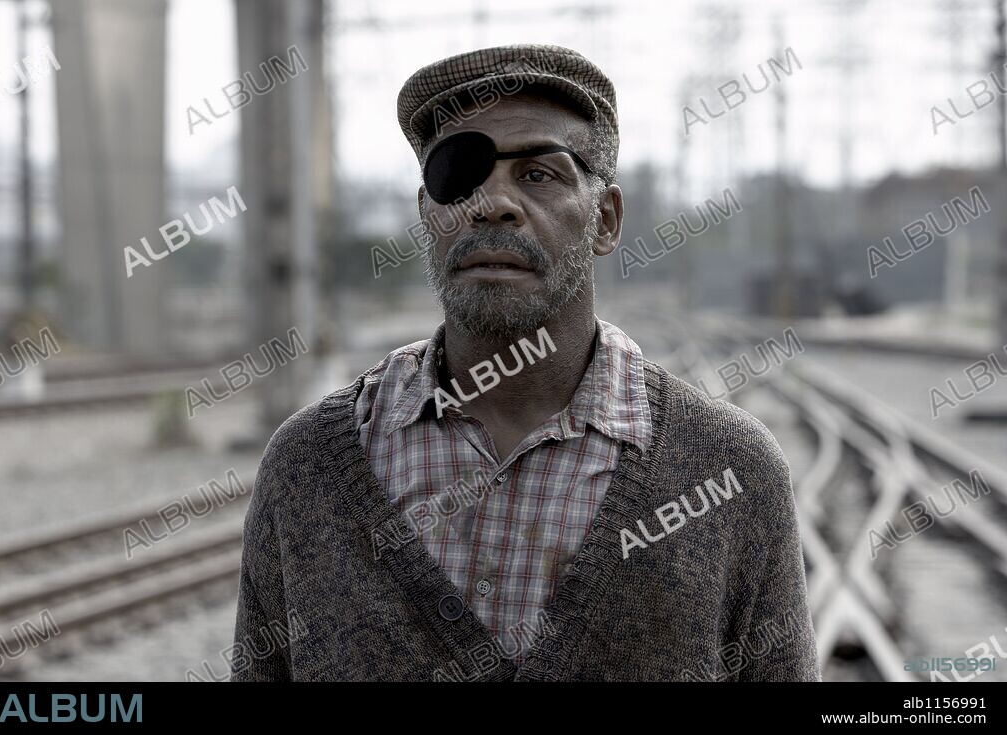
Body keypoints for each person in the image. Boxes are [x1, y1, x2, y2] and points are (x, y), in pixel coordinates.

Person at [230, 43, 820, 682]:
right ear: (428, 215)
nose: (491, 203)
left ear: (606, 220)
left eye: (539, 174)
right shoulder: (307, 466)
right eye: (460, 174)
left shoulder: (730, 472)